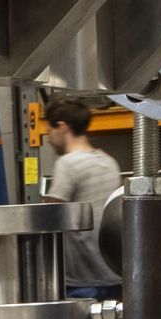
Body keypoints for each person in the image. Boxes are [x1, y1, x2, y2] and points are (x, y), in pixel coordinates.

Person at [42, 101, 124, 290]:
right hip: (114, 271)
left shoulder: (68, 164)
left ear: (62, 127)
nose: (49, 139)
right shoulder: (109, 162)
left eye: (50, 132)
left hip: (84, 279)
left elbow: (49, 216)